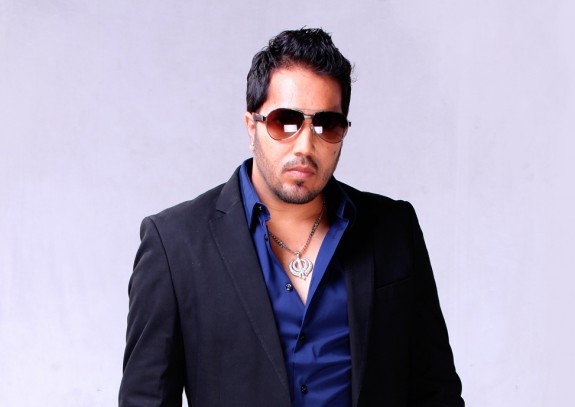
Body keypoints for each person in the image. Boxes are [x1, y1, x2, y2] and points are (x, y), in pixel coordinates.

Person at [119, 28, 464, 407]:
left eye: (327, 124)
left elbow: (437, 393)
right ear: (252, 126)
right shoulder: (174, 244)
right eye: (285, 121)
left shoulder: (394, 230)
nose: (305, 145)